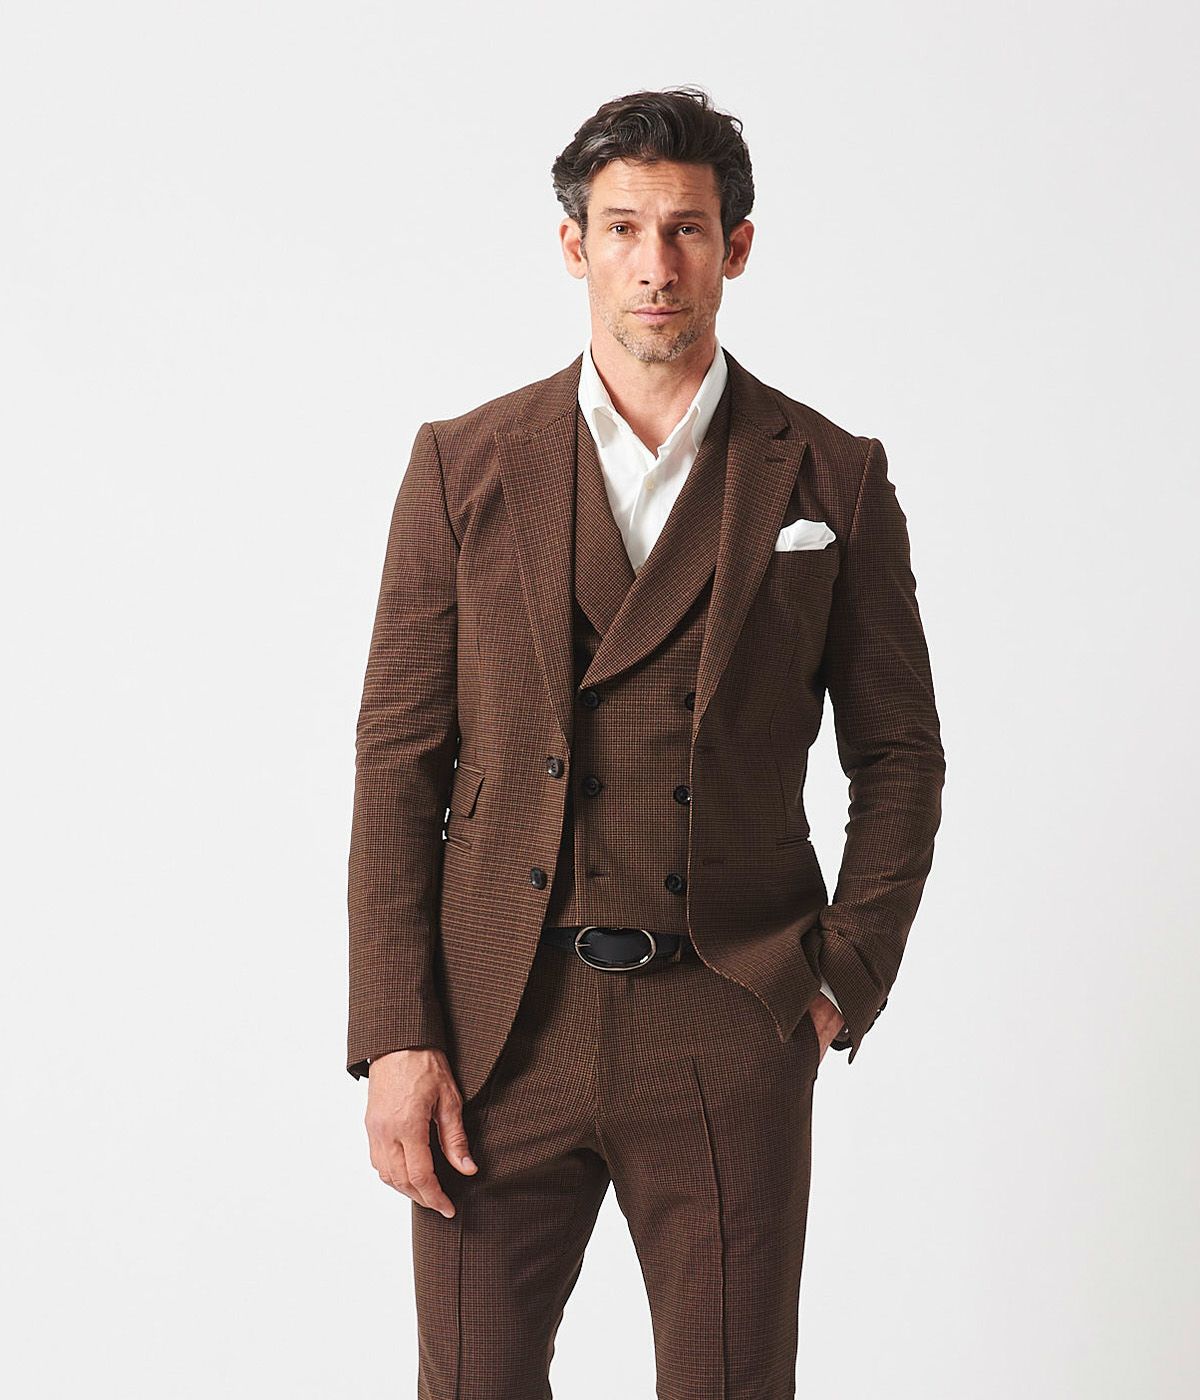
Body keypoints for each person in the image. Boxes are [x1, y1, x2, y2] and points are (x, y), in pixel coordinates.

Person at [347, 85, 946, 1399]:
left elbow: (901, 753)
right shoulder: (461, 464)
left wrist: (841, 973)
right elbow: (397, 763)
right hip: (499, 1023)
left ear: (737, 246)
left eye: (686, 229)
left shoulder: (831, 474)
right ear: (575, 246)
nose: (655, 264)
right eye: (623, 228)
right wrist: (396, 1034)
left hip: (727, 1012)